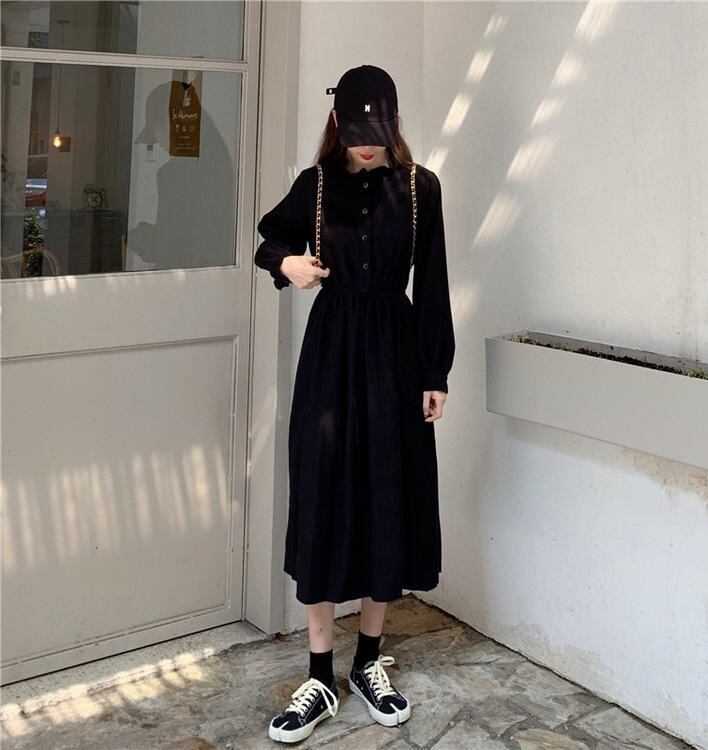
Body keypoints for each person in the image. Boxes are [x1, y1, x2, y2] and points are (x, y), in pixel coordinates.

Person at [255, 64, 456, 744]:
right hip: (331, 354)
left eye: (378, 134)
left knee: (386, 494)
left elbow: (433, 282)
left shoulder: (421, 189)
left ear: (393, 125)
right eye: (356, 134)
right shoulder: (314, 186)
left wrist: (435, 371)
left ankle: (369, 659)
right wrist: (286, 264)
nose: (367, 147)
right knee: (322, 488)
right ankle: (319, 673)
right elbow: (269, 240)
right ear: (337, 123)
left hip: (397, 357)